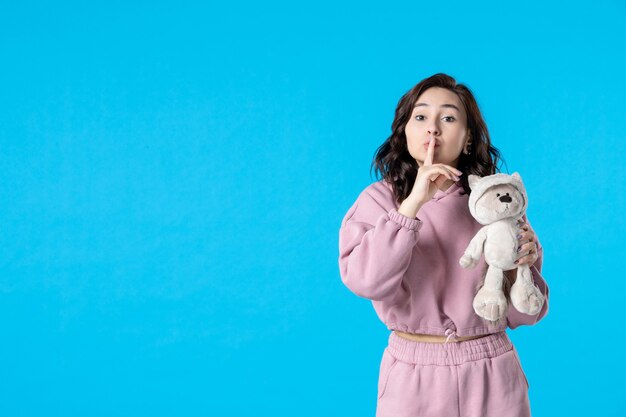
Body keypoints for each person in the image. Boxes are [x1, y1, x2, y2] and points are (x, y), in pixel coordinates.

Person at [337, 73, 549, 417]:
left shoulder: (496, 205)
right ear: (404, 131)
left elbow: (525, 315)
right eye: (420, 117)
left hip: (492, 369)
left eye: (448, 118)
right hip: (413, 375)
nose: (432, 128)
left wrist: (521, 265)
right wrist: (413, 204)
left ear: (467, 139)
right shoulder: (377, 202)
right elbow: (366, 282)